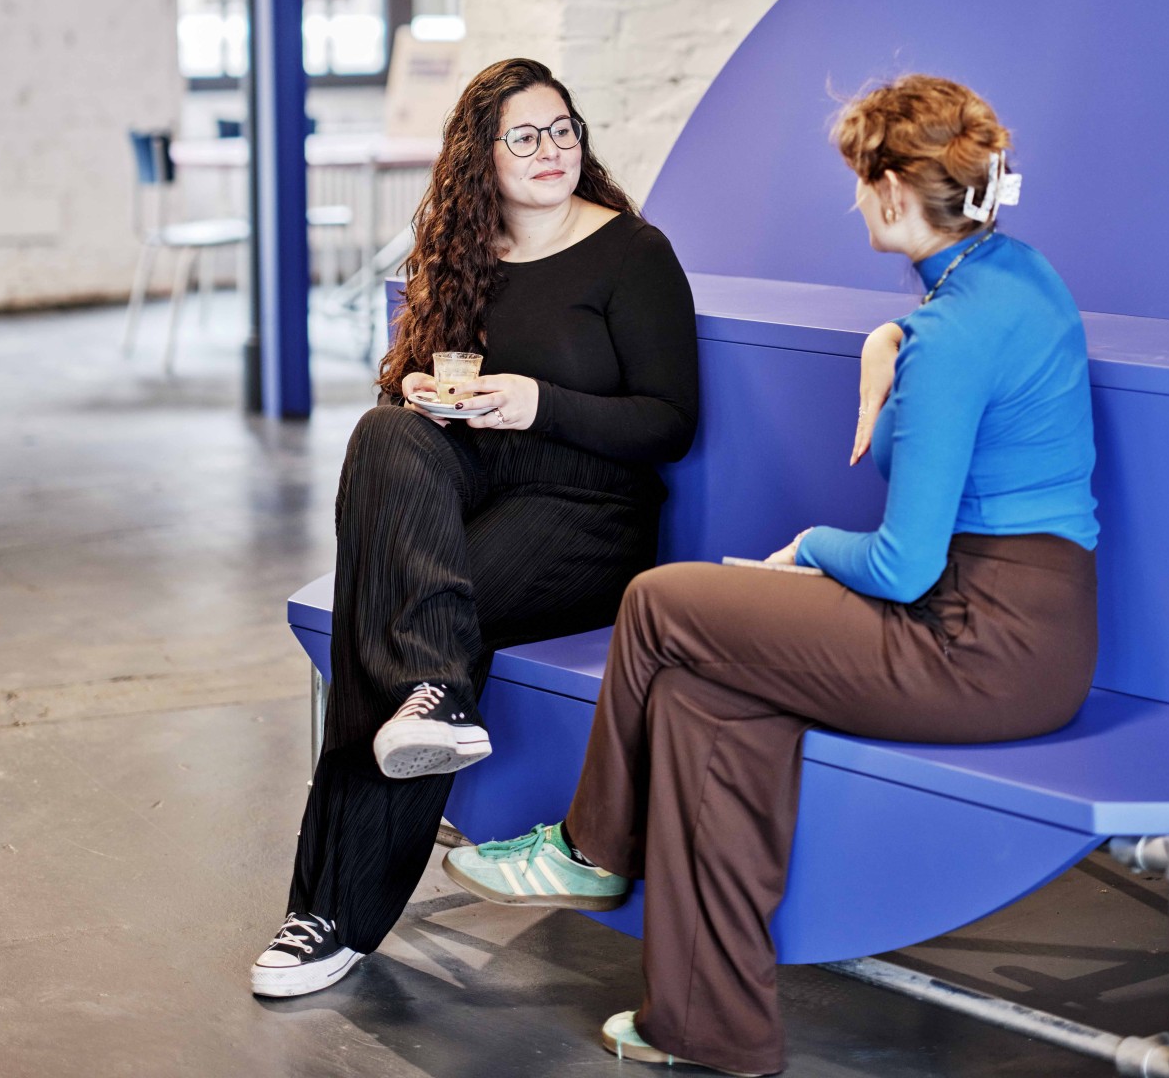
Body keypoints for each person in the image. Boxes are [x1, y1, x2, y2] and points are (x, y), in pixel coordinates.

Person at [445, 73, 1099, 1076]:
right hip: (1033, 629)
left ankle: (588, 850)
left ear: (889, 192)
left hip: (977, 642)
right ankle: (709, 1025)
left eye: (857, 182)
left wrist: (805, 552)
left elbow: (900, 563)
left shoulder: (949, 340)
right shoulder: (1015, 280)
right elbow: (966, 372)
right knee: (708, 698)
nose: (851, 201)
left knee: (661, 603)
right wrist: (893, 339)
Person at [250, 58, 699, 999]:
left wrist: (540, 402)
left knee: (388, 620)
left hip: (584, 516)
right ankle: (435, 702)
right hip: (476, 499)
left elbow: (669, 420)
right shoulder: (464, 251)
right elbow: (417, 394)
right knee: (384, 427)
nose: (551, 151)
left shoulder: (631, 254)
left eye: (564, 129)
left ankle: (329, 915)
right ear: (480, 158)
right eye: (525, 136)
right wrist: (413, 387)